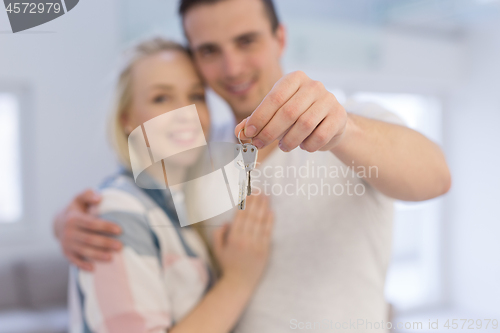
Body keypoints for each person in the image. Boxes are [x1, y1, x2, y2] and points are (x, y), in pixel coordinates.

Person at [55, 0, 452, 332]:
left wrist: (343, 130)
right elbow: (140, 208)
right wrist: (69, 222)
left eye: (246, 41)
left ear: (280, 38)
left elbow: (435, 177)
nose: (231, 67)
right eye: (209, 50)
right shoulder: (199, 153)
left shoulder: (353, 126)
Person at [66, 37, 274, 333]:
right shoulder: (119, 214)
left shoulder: (179, 209)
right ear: (127, 118)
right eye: (161, 98)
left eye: (196, 96)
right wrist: (238, 282)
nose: (185, 114)